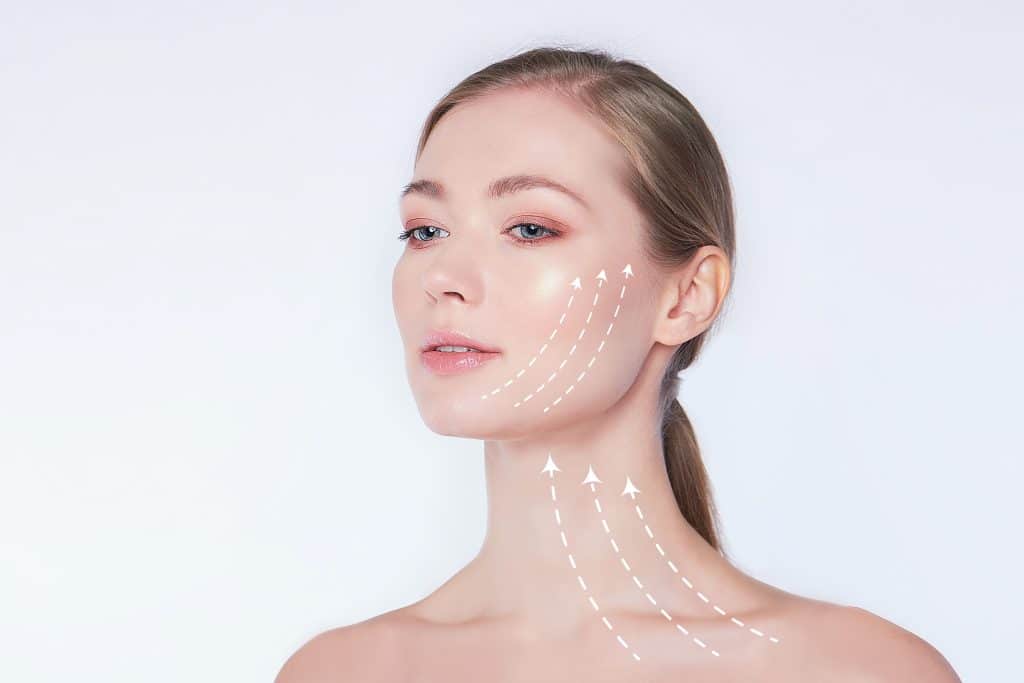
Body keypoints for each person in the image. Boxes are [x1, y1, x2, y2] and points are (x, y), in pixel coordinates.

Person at [276, 45, 961, 682]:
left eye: (531, 228)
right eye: (425, 230)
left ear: (687, 296)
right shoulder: (342, 671)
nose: (444, 276)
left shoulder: (858, 670)